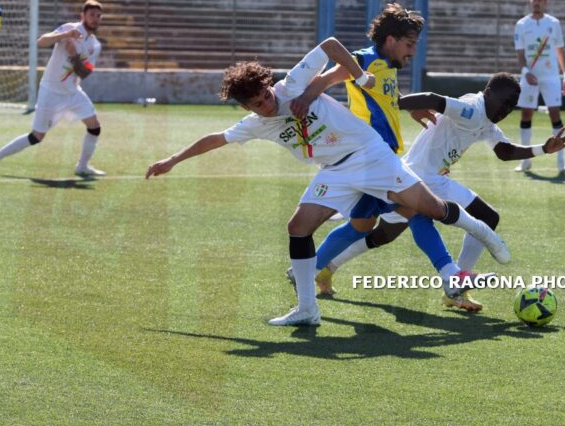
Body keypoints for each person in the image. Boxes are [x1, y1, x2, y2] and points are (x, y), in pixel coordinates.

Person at [145, 38, 510, 326]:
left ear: (270, 84)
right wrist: (173, 160)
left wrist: (351, 80)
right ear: (248, 108)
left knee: (427, 208)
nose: (268, 104)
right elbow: (216, 138)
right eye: (258, 103)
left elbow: (331, 45)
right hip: (335, 171)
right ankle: (307, 309)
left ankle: (484, 233)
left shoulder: (293, 85)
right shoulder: (255, 124)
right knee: (298, 226)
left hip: (370, 155)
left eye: (267, 94)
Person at [309, 73, 565, 311]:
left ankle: (327, 269)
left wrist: (543, 149)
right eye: (503, 102)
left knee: (384, 234)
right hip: (424, 178)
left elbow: (504, 151)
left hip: (415, 176)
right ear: (488, 92)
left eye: (510, 107)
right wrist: (393, 106)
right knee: (487, 218)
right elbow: (433, 98)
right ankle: (457, 285)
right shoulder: (472, 109)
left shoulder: (486, 120)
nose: (505, 110)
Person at [0, 0, 106, 177]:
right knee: (36, 137)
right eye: (92, 15)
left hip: (73, 92)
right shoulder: (70, 28)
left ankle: (82, 166)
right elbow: (42, 41)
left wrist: (74, 56)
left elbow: (84, 73)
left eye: (99, 16)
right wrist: (64, 35)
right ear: (82, 16)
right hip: (51, 91)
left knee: (94, 127)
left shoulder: (95, 45)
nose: (96, 19)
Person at [513, 0, 565, 173]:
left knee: (555, 115)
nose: (536, 2)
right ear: (530, 2)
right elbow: (520, 54)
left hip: (551, 77)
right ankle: (526, 160)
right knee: (526, 114)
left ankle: (561, 160)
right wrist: (525, 71)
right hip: (529, 78)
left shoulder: (554, 23)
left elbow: (560, 51)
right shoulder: (521, 25)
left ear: (546, 3)